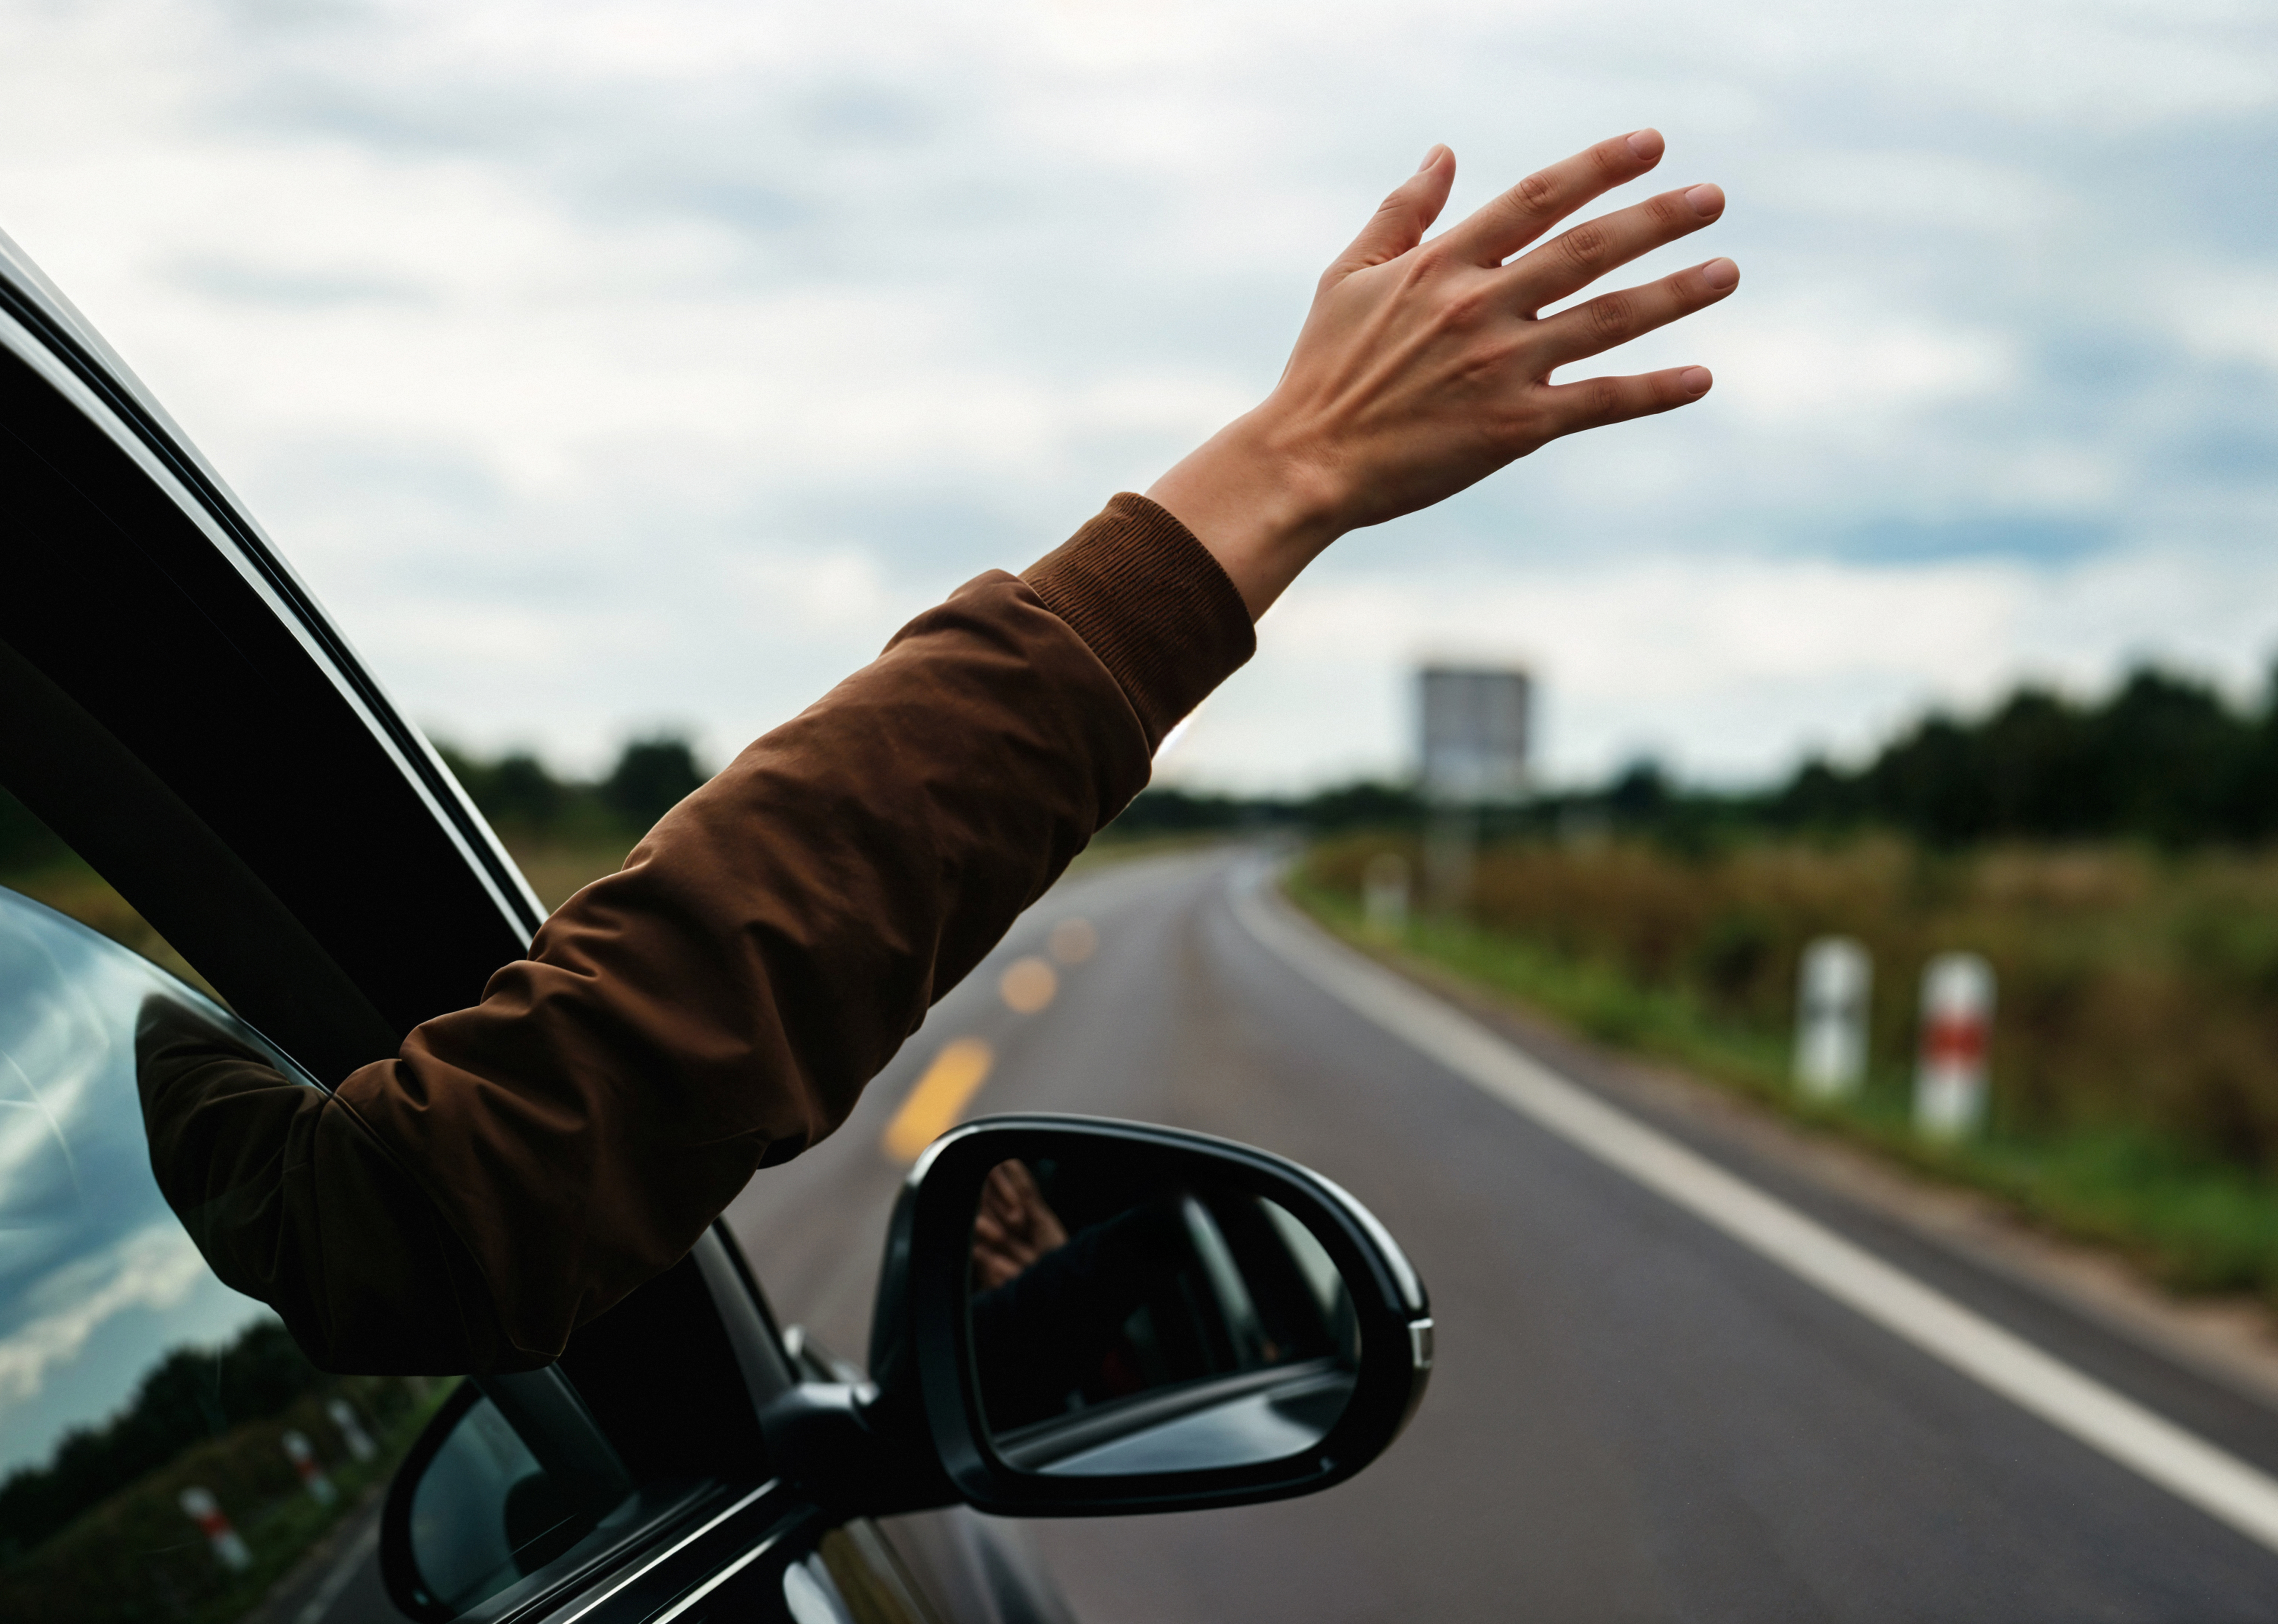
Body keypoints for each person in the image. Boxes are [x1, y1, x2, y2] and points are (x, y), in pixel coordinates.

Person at [140, 130, 1737, 1374]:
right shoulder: (21, 1065)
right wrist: (1290, 464)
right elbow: (433, 1214)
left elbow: (456, 1179)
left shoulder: (10, 1071)